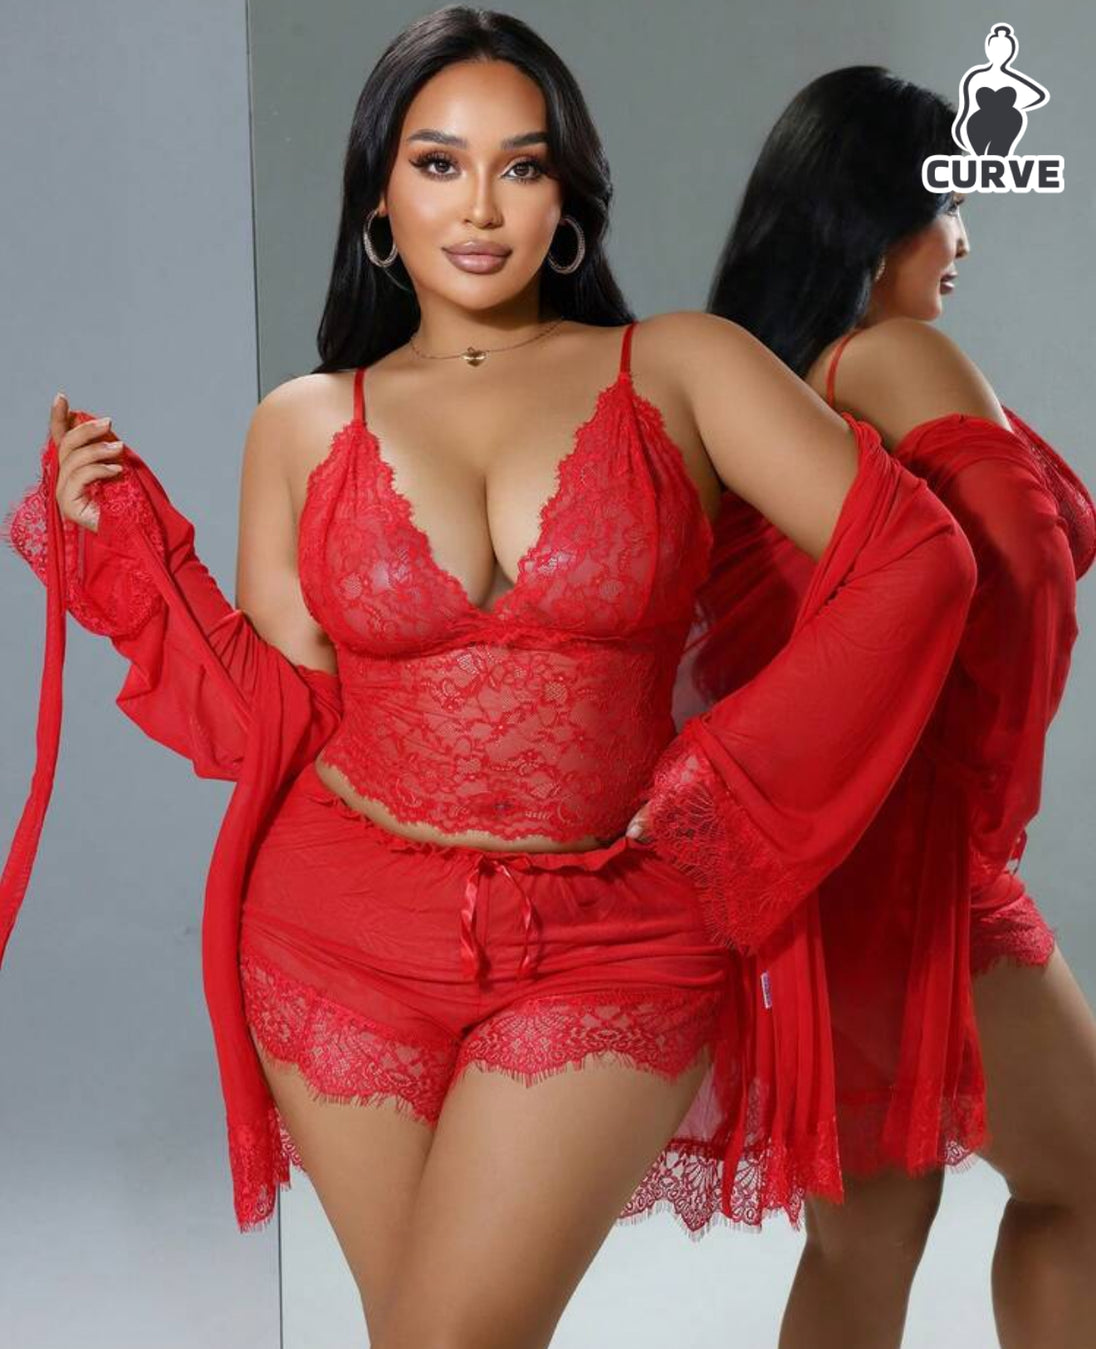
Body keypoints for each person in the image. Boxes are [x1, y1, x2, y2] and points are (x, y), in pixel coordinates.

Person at [1, 18, 976, 1348]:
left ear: (566, 197)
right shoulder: (303, 421)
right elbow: (281, 719)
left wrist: (728, 770)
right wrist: (133, 559)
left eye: (520, 167)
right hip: (336, 932)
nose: (478, 207)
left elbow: (916, 558)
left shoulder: (681, 367)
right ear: (378, 198)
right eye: (437, 163)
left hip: (607, 935)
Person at [699, 65, 1096, 1349]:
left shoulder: (773, 384)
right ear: (870, 215)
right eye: (946, 208)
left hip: (831, 859)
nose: (963, 241)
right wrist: (995, 780)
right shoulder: (891, 354)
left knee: (870, 1231)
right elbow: (1024, 560)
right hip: (910, 853)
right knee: (1075, 1183)